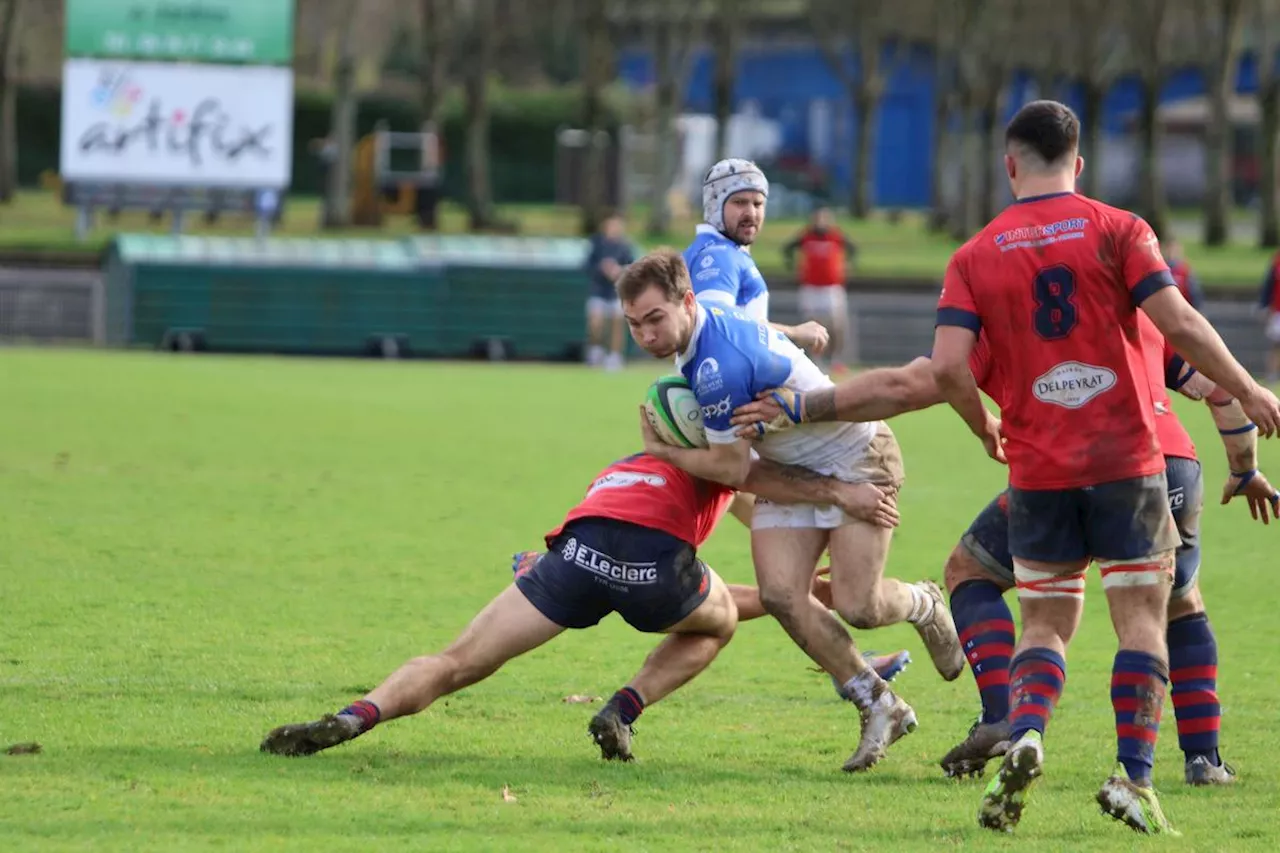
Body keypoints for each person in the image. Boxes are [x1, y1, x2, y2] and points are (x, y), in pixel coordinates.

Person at [730, 316, 1279, 788]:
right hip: (1169, 468)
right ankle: (1200, 760)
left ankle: (1005, 716)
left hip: (1062, 474)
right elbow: (1221, 388)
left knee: (979, 575)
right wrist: (1245, 467)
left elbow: (920, 381)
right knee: (1177, 604)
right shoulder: (1131, 308)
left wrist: (804, 405)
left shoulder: (1005, 313)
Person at [931, 100, 1279, 834]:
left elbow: (946, 367)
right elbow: (1177, 321)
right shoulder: (1119, 229)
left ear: (1009, 164)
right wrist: (1248, 386)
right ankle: (1134, 777)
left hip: (1038, 469)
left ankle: (1026, 731)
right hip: (1127, 460)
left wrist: (981, 421)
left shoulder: (974, 255)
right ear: (1079, 162)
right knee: (1143, 620)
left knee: (1046, 623)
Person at [259, 450, 906, 763]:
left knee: (455, 661)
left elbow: (602, 527)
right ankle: (622, 709)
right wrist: (799, 590)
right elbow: (751, 551)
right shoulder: (727, 460)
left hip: (574, 553)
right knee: (725, 617)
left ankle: (355, 714)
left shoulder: (631, 463)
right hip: (652, 564)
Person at [616, 249, 964, 774]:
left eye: (654, 319)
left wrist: (663, 450)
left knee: (859, 606)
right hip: (795, 472)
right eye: (634, 325)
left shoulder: (715, 367)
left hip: (857, 458)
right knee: (781, 594)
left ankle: (923, 603)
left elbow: (734, 472)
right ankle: (878, 703)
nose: (645, 336)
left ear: (686, 302)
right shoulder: (702, 328)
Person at [684, 159, 829, 355]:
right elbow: (717, 328)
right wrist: (793, 332)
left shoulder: (727, 251)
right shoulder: (718, 255)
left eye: (758, 203)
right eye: (739, 202)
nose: (751, 213)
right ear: (715, 206)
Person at [783, 206, 858, 372]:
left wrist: (848, 266)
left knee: (837, 324)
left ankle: (836, 359)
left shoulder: (836, 236)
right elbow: (788, 249)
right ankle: (814, 359)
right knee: (812, 324)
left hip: (832, 288)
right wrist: (792, 266)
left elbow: (852, 248)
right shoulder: (806, 237)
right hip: (810, 288)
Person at [584, 212, 636, 371]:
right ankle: (596, 350)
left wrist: (618, 271)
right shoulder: (596, 244)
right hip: (598, 291)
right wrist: (602, 268)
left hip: (617, 292)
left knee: (617, 322)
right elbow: (587, 266)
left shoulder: (625, 247)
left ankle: (614, 356)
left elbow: (632, 268)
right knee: (595, 323)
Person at [1163, 238, 1205, 311]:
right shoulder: (1161, 269)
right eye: (1169, 249)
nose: (1171, 253)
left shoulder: (1185, 270)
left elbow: (1194, 292)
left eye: (1174, 250)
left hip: (1183, 308)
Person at [1261, 251, 1280, 384]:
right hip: (1278, 310)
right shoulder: (1277, 261)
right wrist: (1265, 306)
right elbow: (1268, 285)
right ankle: (1271, 375)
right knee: (1276, 345)